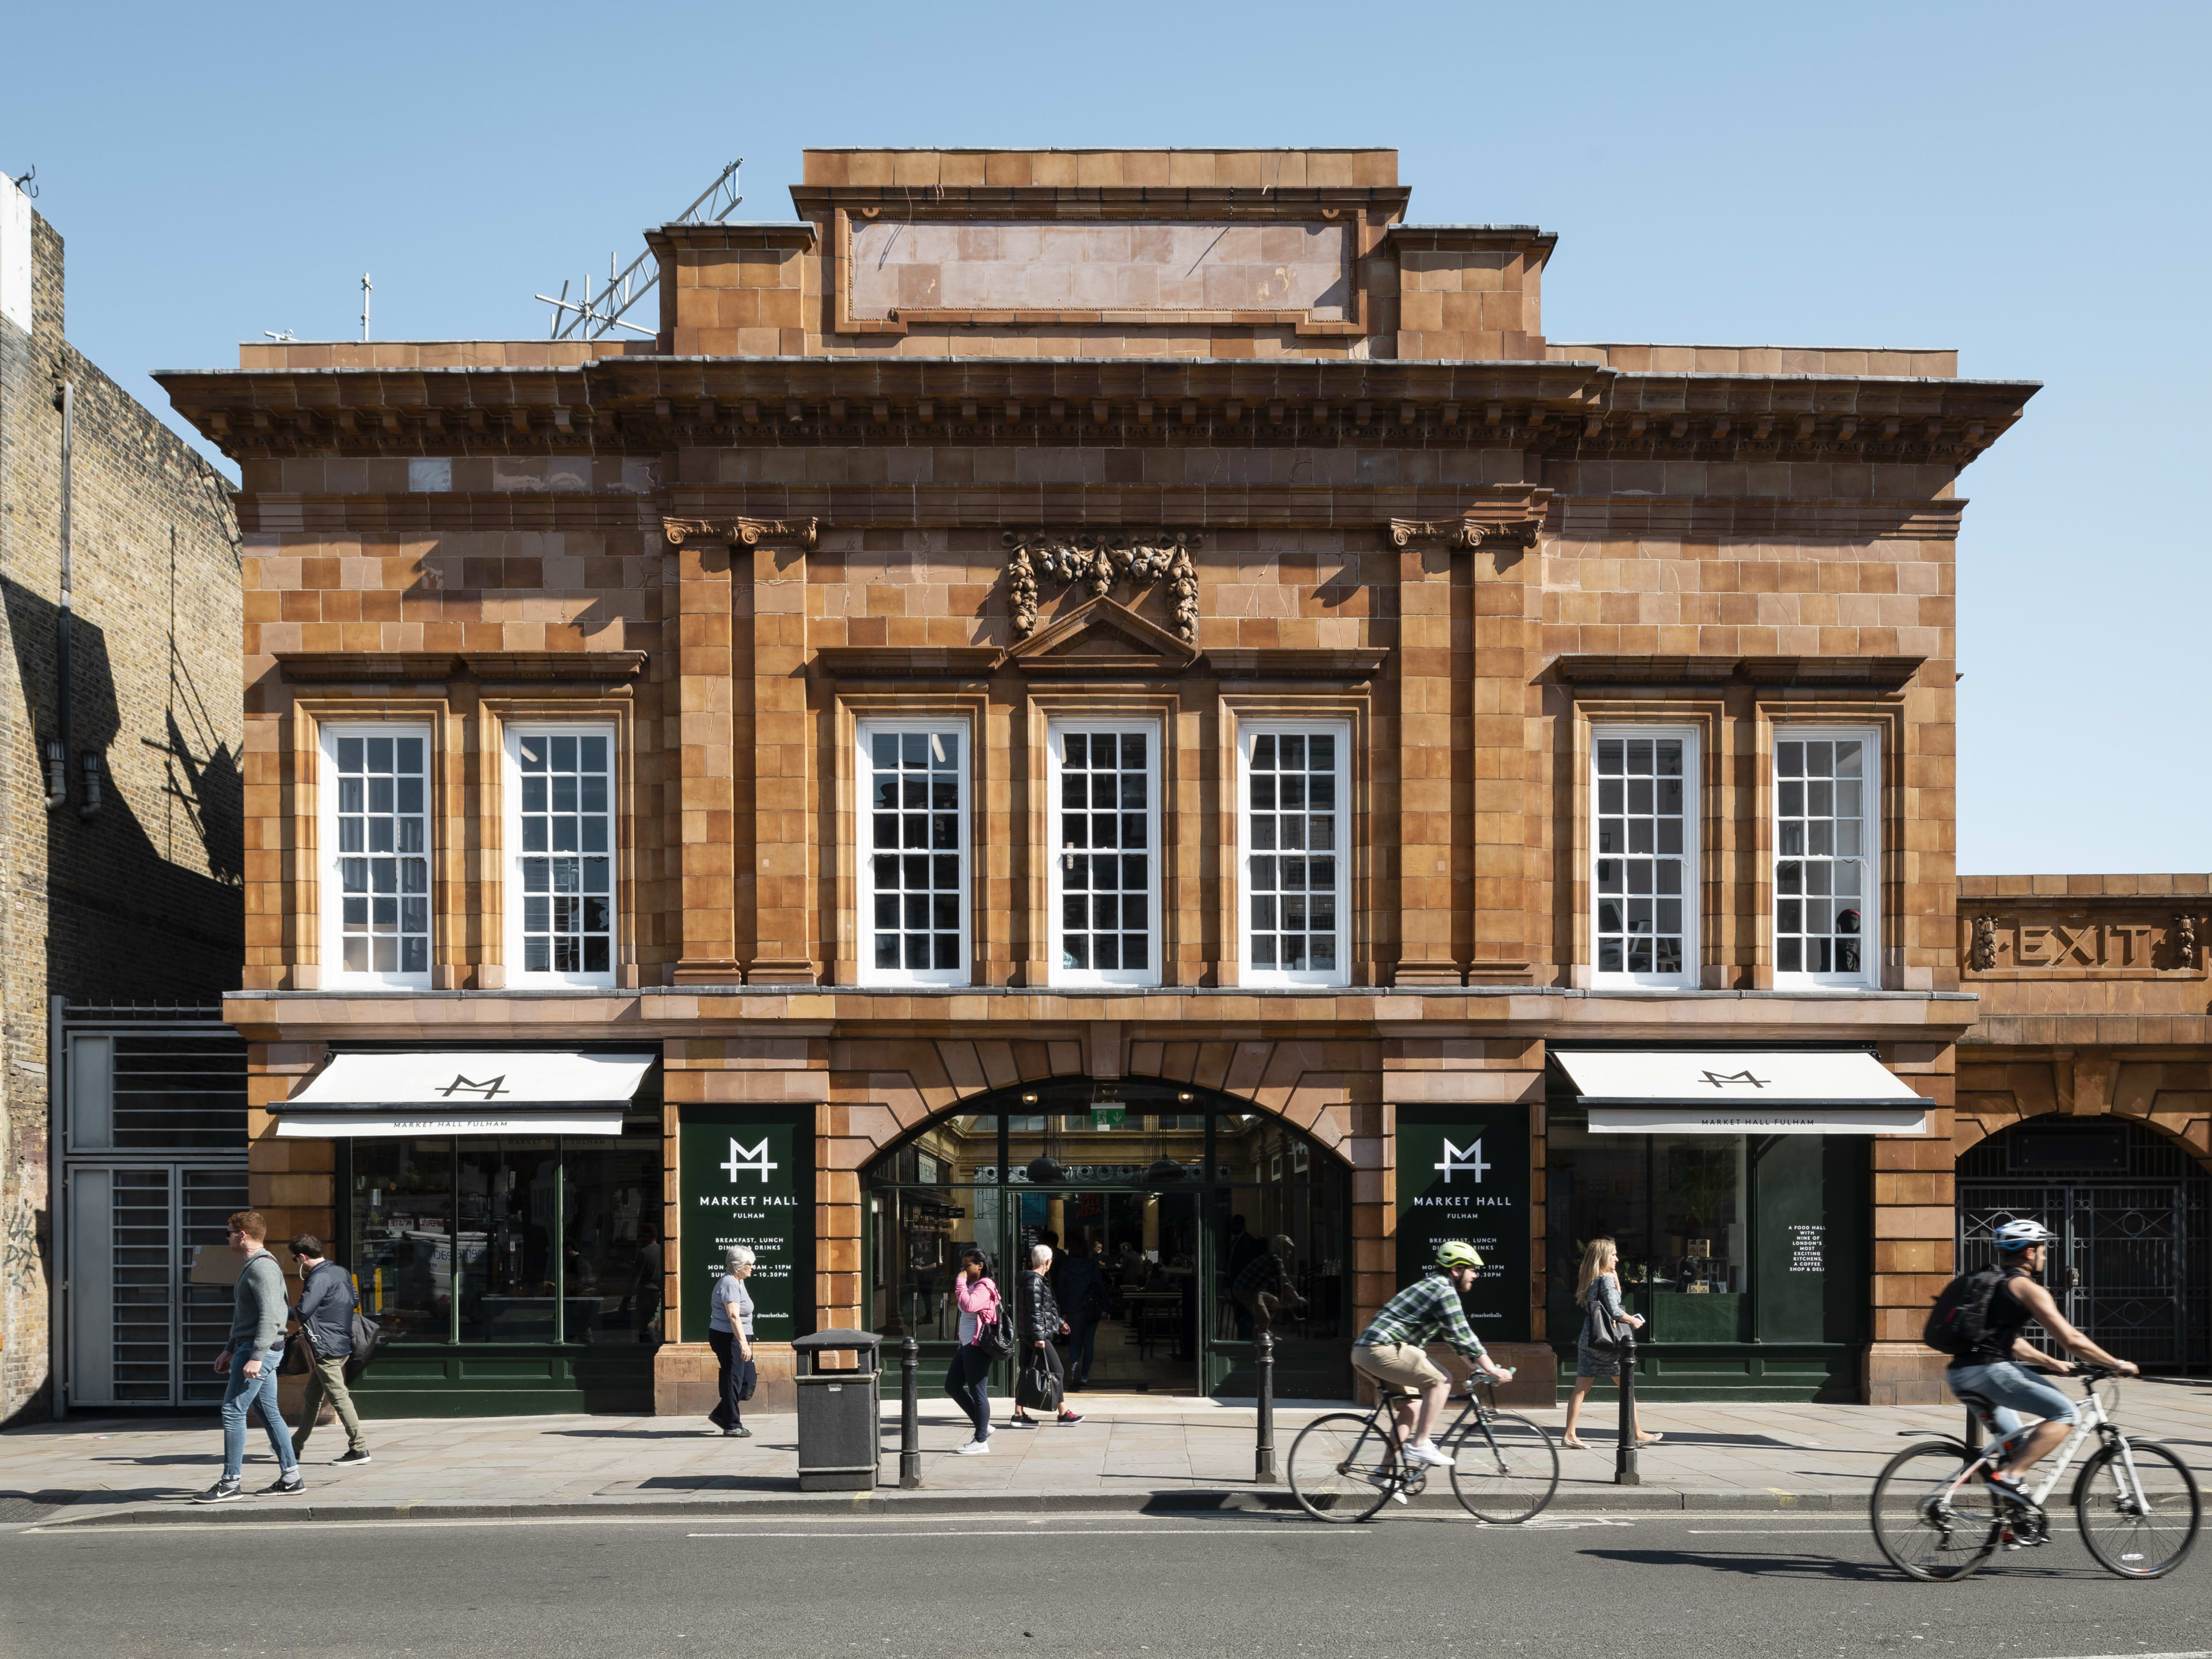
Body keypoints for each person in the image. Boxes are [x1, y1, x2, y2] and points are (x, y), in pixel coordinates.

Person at [1946, 1218, 2138, 1503]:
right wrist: (2115, 1364)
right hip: (1991, 1372)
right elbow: (2071, 1339)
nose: (2045, 1257)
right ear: (2029, 1253)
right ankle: (2010, 1477)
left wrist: (2051, 1363)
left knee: (2017, 1449)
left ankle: (2012, 1524)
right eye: (2043, 1251)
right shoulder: (2026, 1287)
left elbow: (2009, 1342)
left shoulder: (1992, 1284)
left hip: (1961, 1375)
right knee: (2066, 1414)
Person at [1349, 1240, 1514, 1479]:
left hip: (1368, 1352)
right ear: (1456, 1270)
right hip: (1381, 1349)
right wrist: (1491, 1369)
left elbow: (1456, 1341)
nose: (1476, 1276)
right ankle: (1420, 1444)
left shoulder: (1436, 1287)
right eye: (1473, 1269)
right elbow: (1464, 1333)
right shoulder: (1443, 1289)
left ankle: (1384, 1472)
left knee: (1412, 1408)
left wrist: (1478, 1368)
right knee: (1441, 1380)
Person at [192, 1210, 304, 1503]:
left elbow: (271, 1316)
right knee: (269, 1413)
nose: (227, 1236)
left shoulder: (262, 1268)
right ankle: (291, 1477)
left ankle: (230, 1482)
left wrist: (256, 1356)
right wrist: (230, 1348)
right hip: (249, 1347)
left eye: (228, 1232)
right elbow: (247, 1315)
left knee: (233, 1411)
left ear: (242, 1235)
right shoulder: (255, 1265)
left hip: (258, 1350)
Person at [1561, 1236, 1661, 1450]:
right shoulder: (1604, 1278)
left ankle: (1570, 1434)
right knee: (1627, 1386)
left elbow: (1605, 1304)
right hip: (1608, 1344)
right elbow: (1615, 1311)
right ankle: (1637, 1433)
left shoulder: (1592, 1277)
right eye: (1613, 1255)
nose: (1617, 1259)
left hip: (1590, 1339)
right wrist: (1633, 1320)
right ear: (1604, 1256)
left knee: (1581, 1388)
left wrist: (1616, 1283)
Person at [286, 1236, 370, 1465]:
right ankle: (294, 1446)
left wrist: (277, 1312)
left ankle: (360, 1448)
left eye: (295, 1259)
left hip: (325, 1347)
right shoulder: (340, 1272)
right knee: (312, 1397)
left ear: (303, 1257)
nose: (297, 1262)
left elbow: (303, 1311)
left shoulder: (319, 1277)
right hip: (341, 1343)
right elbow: (353, 1300)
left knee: (339, 1397)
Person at [1010, 1243, 1085, 1427]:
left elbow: (1045, 1309)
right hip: (1034, 1335)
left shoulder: (1033, 1280)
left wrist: (1060, 1323)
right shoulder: (1035, 1281)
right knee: (1057, 1370)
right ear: (1048, 1262)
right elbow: (1035, 1312)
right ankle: (1063, 1413)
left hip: (1029, 1333)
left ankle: (1018, 1414)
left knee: (1027, 1371)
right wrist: (1039, 1337)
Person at [945, 1248, 1001, 1455]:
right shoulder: (973, 1285)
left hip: (978, 1347)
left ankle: (981, 1441)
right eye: (963, 1266)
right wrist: (964, 1284)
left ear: (980, 1265)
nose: (964, 1270)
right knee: (952, 1386)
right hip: (966, 1345)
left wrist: (960, 1284)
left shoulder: (985, 1286)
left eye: (967, 1265)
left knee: (979, 1393)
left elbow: (968, 1306)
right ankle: (983, 1426)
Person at [706, 1244, 757, 1438]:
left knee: (748, 1378)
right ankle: (732, 1424)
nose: (752, 1267)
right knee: (733, 1379)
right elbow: (733, 1316)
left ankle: (722, 1413)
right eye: (749, 1264)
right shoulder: (729, 1283)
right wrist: (743, 1343)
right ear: (738, 1265)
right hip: (728, 1338)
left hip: (736, 1338)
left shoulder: (738, 1282)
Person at [1056, 1238, 1109, 1389]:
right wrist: (1107, 1307)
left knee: (1074, 1341)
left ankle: (1074, 1365)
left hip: (1073, 1308)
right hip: (1091, 1307)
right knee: (1089, 1342)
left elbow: (1061, 1289)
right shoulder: (1091, 1264)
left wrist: (1064, 1309)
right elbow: (1099, 1286)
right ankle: (1085, 1375)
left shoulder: (1065, 1265)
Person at [1232, 1232, 1308, 1338]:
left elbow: (1283, 1283)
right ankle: (1259, 1342)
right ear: (1282, 1249)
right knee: (1264, 1318)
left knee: (1274, 1301)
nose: (1290, 1252)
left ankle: (1264, 1331)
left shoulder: (1272, 1257)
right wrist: (1297, 1297)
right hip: (1245, 1290)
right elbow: (1285, 1283)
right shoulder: (1275, 1260)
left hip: (1254, 1290)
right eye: (1288, 1249)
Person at [626, 1223, 665, 1343]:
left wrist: (625, 1301)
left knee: (645, 1328)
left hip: (646, 1296)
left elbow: (636, 1280)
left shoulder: (643, 1253)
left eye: (641, 1235)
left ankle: (650, 1350)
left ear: (647, 1235)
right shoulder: (663, 1250)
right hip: (659, 1294)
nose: (640, 1239)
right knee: (656, 1324)